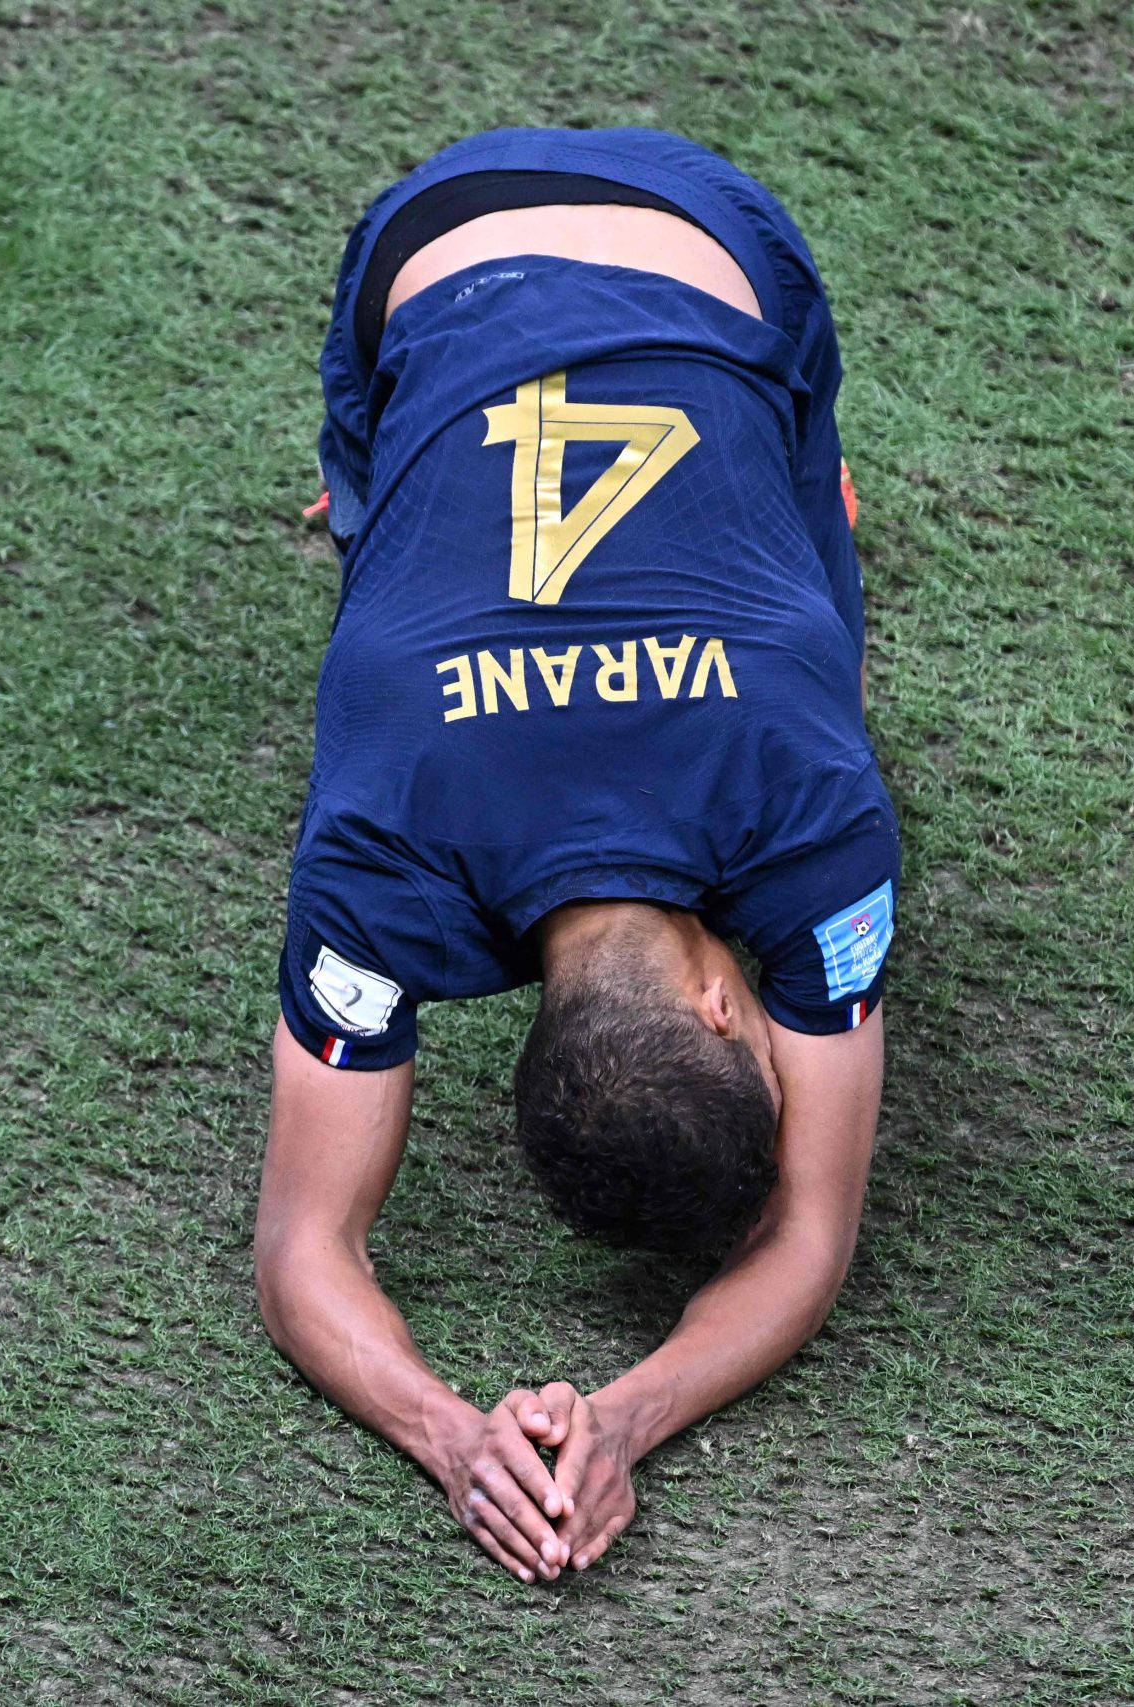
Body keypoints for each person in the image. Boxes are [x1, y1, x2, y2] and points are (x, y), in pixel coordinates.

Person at [252, 128, 897, 1587]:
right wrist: (601, 1422)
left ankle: (385, 499)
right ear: (725, 1010)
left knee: (808, 606)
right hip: (451, 257)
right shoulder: (381, 854)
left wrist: (463, 1435)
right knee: (406, 533)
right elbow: (819, 1229)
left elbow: (304, 1244)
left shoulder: (811, 803)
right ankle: (379, 499)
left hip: (638, 235)